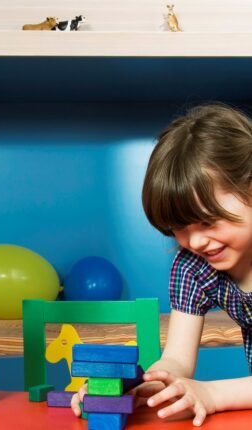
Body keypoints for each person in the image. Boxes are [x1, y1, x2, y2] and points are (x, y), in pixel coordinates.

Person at [71, 104, 252, 426]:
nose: (195, 242)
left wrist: (214, 395)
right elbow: (178, 359)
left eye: (208, 222)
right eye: (180, 228)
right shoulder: (194, 266)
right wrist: (146, 387)